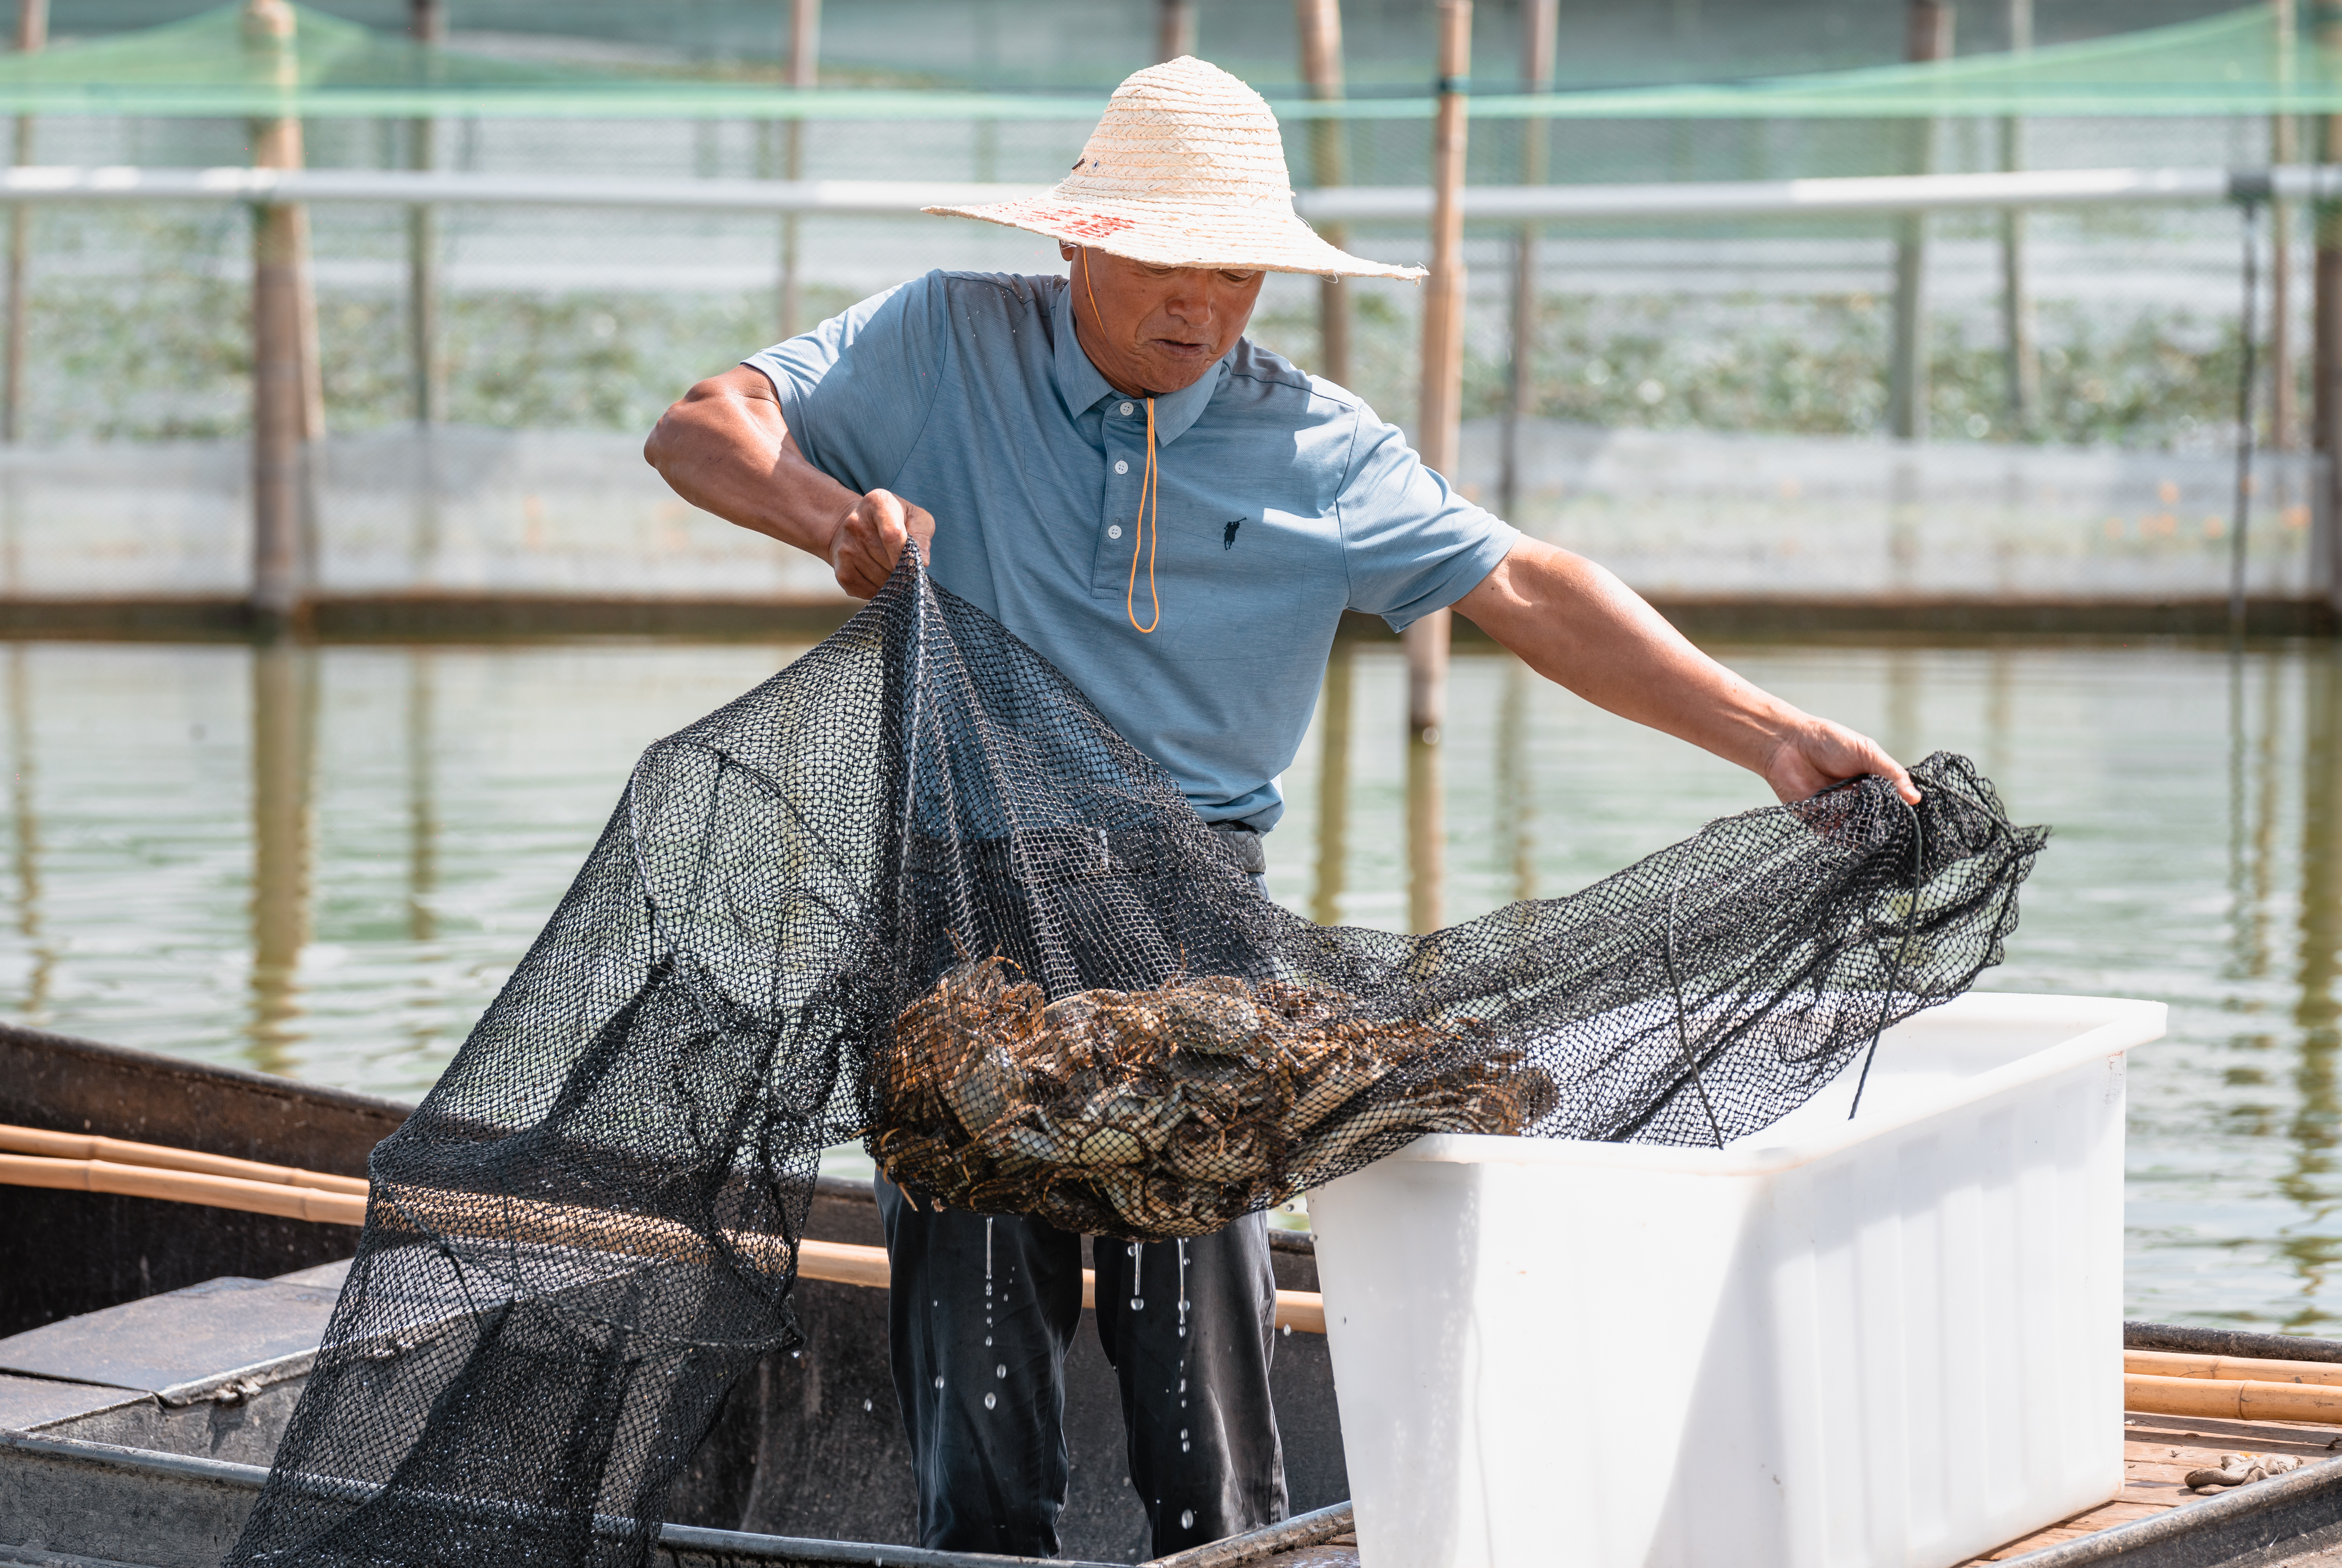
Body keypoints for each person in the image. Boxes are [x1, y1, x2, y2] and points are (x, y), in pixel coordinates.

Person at [644, 54, 1916, 1563]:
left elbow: (1523, 585)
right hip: (960, 918)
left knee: (1203, 1359)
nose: (1201, 307)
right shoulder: (937, 340)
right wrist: (830, 517)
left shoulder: (1319, 441)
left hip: (1191, 920)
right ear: (1079, 243)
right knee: (976, 1350)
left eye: (1238, 273)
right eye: (1169, 266)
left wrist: (1769, 733)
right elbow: (699, 423)